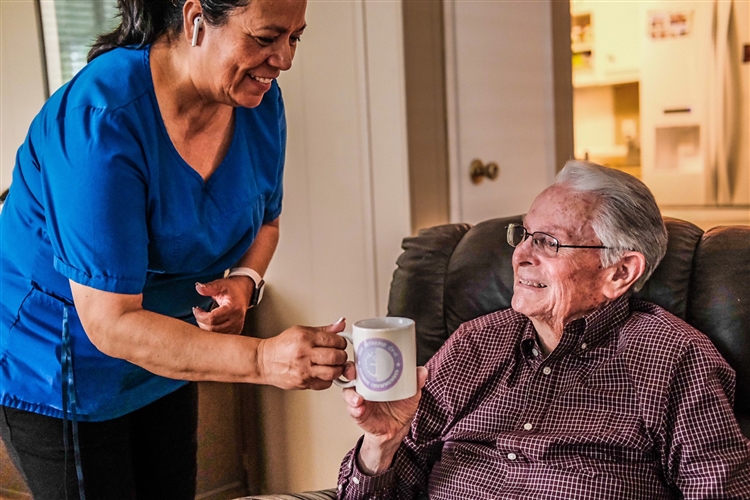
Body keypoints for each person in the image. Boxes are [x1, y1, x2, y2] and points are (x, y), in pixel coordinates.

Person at [0, 0, 349, 498]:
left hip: (168, 351)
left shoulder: (257, 101)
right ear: (196, 20)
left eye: (295, 38)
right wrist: (263, 360)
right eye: (266, 37)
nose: (284, 59)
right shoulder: (101, 119)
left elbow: (266, 221)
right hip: (63, 364)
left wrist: (246, 283)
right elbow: (111, 322)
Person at [337, 160, 750, 499]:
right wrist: (382, 443)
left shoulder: (674, 358)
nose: (520, 255)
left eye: (549, 242)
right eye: (525, 235)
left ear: (620, 272)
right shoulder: (473, 343)